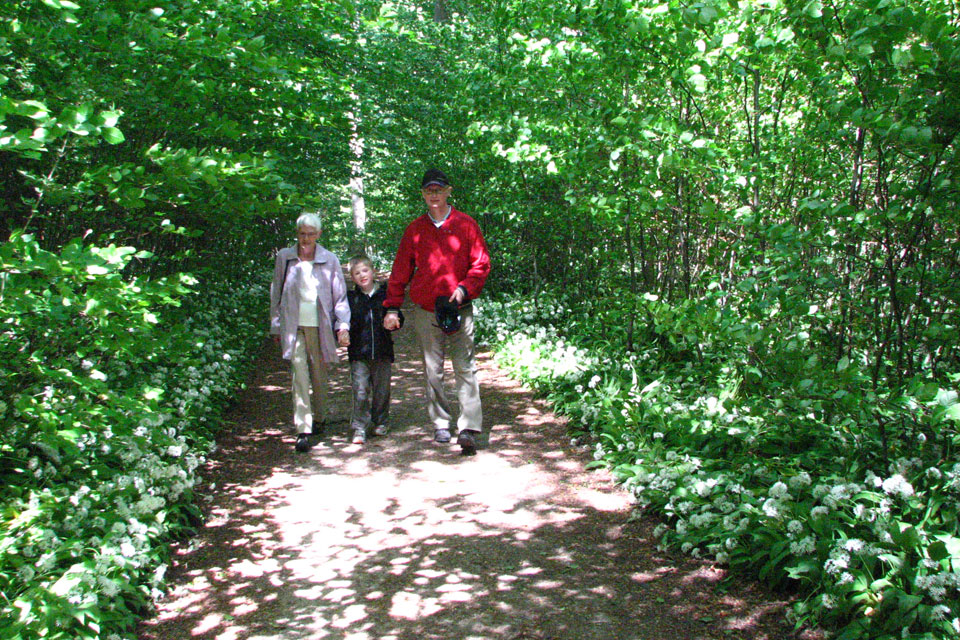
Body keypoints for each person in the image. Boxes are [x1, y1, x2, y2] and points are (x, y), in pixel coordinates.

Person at [382, 168, 491, 456]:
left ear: (448, 191)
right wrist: (392, 305)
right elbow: (400, 271)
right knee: (433, 370)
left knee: (465, 367)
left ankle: (468, 428)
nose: (434, 195)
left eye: (438, 190)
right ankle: (441, 422)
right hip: (427, 310)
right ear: (423, 194)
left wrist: (464, 289)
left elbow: (480, 265)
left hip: (461, 308)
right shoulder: (415, 230)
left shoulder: (466, 225)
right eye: (429, 190)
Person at [270, 212, 350, 453]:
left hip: (320, 325)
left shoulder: (329, 259)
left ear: (319, 234)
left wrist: (342, 325)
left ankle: (321, 416)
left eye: (311, 234)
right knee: (299, 375)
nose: (306, 239)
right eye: (302, 234)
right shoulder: (285, 257)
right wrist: (275, 325)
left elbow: (340, 296)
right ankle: (303, 429)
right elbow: (276, 293)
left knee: (318, 374)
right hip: (293, 324)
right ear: (297, 234)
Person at [346, 255, 402, 445]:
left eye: (365, 270)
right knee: (360, 390)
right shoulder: (351, 299)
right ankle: (359, 427)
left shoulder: (385, 295)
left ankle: (380, 421)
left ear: (373, 272)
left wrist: (395, 321)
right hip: (358, 352)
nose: (362, 275)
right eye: (357, 273)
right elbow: (343, 321)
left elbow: (397, 315)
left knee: (381, 389)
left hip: (383, 351)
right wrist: (341, 331)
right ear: (352, 278)